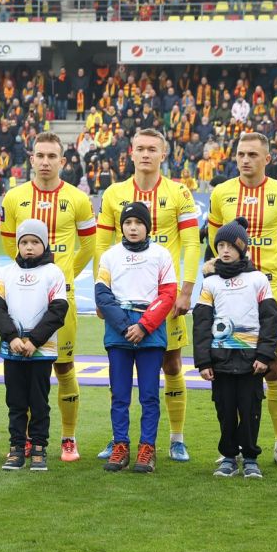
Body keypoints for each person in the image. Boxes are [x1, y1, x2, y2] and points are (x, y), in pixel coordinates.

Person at [94, 128, 201, 462]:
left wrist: (186, 289)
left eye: (152, 149)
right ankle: (120, 439)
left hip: (164, 298)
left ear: (163, 154)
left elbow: (192, 242)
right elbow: (102, 243)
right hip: (124, 294)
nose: (145, 154)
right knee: (120, 370)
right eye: (140, 148)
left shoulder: (179, 192)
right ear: (130, 152)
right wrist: (101, 293)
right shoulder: (114, 193)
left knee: (170, 364)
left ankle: (176, 438)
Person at [206, 132, 277, 468]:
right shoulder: (221, 193)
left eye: (252, 154)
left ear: (267, 158)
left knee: (273, 368)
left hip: (270, 291)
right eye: (241, 154)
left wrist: (276, 272)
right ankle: (230, 447)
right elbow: (213, 237)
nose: (245, 160)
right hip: (230, 293)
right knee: (229, 369)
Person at [0, 132, 95, 461]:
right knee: (23, 368)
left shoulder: (78, 199)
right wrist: (30, 276)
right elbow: (10, 245)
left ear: (62, 161)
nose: (45, 162)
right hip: (23, 298)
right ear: (31, 158)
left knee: (65, 367)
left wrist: (63, 276)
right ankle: (25, 439)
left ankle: (68, 438)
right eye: (40, 155)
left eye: (52, 156)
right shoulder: (14, 198)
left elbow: (90, 247)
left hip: (60, 300)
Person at [94, 201, 178, 473]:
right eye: (128, 223)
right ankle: (120, 446)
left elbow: (167, 295)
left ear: (147, 227)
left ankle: (147, 448)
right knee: (119, 394)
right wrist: (123, 326)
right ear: (122, 227)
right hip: (119, 334)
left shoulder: (161, 255)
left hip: (150, 333)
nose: (132, 228)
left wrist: (143, 326)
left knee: (149, 395)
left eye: (138, 223)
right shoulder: (110, 256)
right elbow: (103, 296)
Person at [193, 217, 277, 479]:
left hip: (251, 361)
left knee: (250, 410)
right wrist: (204, 361)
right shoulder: (210, 282)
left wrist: (265, 355)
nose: (225, 251)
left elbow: (270, 319)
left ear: (242, 248)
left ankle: (251, 457)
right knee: (225, 411)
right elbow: (202, 323)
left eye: (231, 245)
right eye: (220, 246)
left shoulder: (257, 280)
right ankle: (229, 457)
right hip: (220, 360)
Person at [0, 219, 69, 472]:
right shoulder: (7, 272)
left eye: (35, 242)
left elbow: (58, 311)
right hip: (12, 351)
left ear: (44, 244)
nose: (29, 247)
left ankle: (38, 448)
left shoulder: (53, 273)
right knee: (15, 401)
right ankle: (16, 448)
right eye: (24, 242)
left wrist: (34, 341)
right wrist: (12, 337)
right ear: (18, 245)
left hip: (41, 352)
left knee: (39, 402)